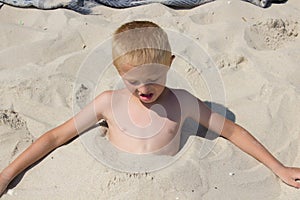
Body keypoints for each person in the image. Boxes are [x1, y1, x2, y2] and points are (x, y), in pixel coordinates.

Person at [0, 21, 299, 197]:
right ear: (119, 72)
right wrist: (6, 175)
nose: (145, 89)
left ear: (169, 64)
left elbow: (231, 131)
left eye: (154, 78)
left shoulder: (183, 103)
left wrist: (278, 168)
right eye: (133, 81)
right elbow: (55, 137)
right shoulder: (108, 103)